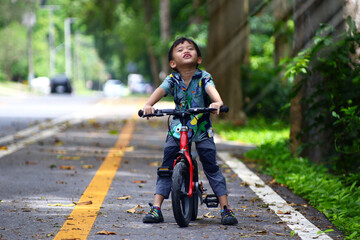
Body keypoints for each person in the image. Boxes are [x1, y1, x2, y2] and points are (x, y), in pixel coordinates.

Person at [141, 37, 238, 225]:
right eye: (180, 49)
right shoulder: (172, 79)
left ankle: (226, 209)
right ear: (172, 63)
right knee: (166, 167)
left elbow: (211, 91)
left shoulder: (204, 77)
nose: (186, 50)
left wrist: (217, 102)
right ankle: (156, 208)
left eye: (190, 48)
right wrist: (148, 105)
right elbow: (159, 91)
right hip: (177, 128)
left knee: (211, 166)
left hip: (201, 127)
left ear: (199, 59)